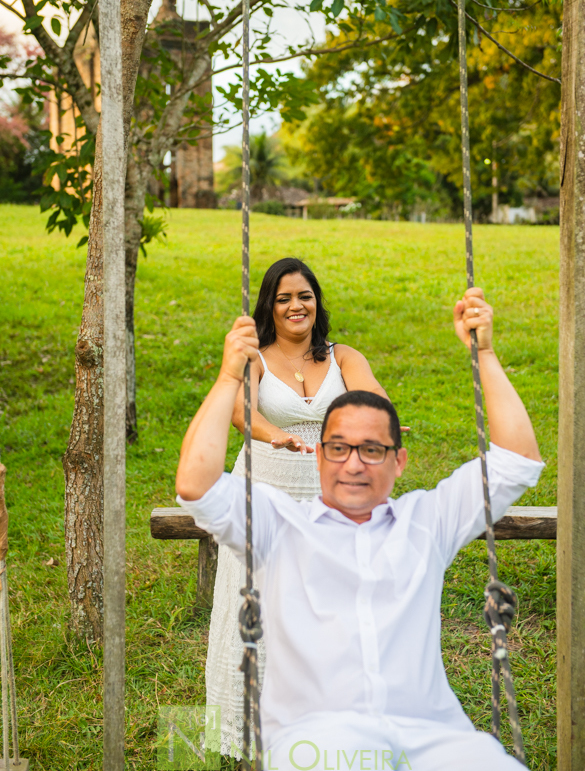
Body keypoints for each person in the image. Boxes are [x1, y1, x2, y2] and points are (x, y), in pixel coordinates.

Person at [176, 288, 543, 771]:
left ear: (398, 462)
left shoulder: (425, 522)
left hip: (430, 736)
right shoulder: (279, 525)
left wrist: (487, 354)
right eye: (339, 448)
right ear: (321, 455)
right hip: (319, 740)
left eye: (371, 450)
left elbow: (517, 462)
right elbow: (196, 485)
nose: (353, 463)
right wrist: (228, 377)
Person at [206, 257, 393, 756]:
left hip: (327, 491)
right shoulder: (255, 356)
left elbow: (371, 395)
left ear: (316, 302)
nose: (296, 306)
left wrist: (381, 426)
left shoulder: (342, 356)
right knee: (262, 602)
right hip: (265, 487)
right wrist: (277, 435)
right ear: (271, 305)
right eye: (284, 297)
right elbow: (242, 412)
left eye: (304, 296)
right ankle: (252, 734)